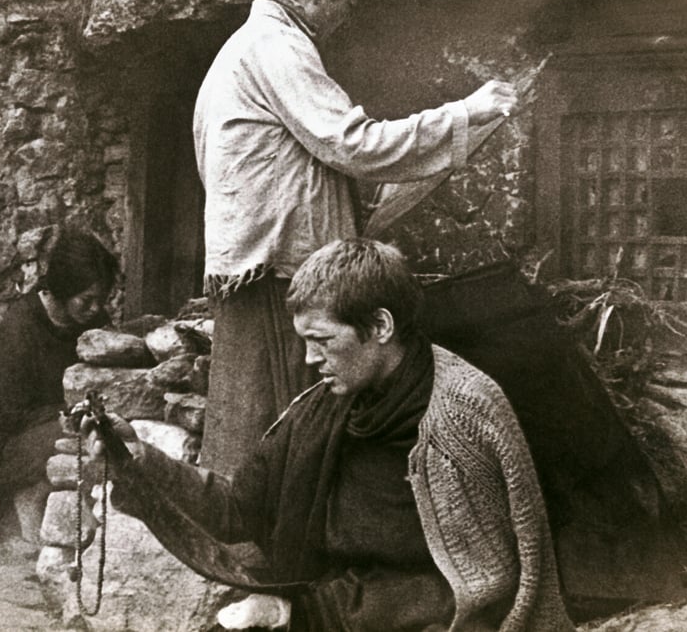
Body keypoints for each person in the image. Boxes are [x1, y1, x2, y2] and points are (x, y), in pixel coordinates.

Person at [87, 239, 574, 631]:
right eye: (303, 342)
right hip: (327, 608)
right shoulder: (322, 407)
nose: (308, 360)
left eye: (322, 340)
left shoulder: (462, 413)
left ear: (379, 326)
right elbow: (239, 509)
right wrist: (139, 459)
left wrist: (301, 613)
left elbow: (481, 588)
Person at [194, 0, 520, 475]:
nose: (349, 11)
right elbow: (354, 144)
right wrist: (467, 113)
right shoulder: (279, 46)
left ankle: (255, 545)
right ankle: (278, 549)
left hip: (255, 263)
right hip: (277, 271)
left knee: (259, 428)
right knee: (294, 423)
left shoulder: (244, 48)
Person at [0, 228, 117, 508]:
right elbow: (8, 416)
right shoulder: (20, 330)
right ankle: (37, 499)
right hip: (9, 447)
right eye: (87, 300)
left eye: (101, 300)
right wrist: (65, 415)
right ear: (63, 287)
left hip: (64, 423)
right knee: (90, 436)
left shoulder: (92, 319)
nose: (95, 309)